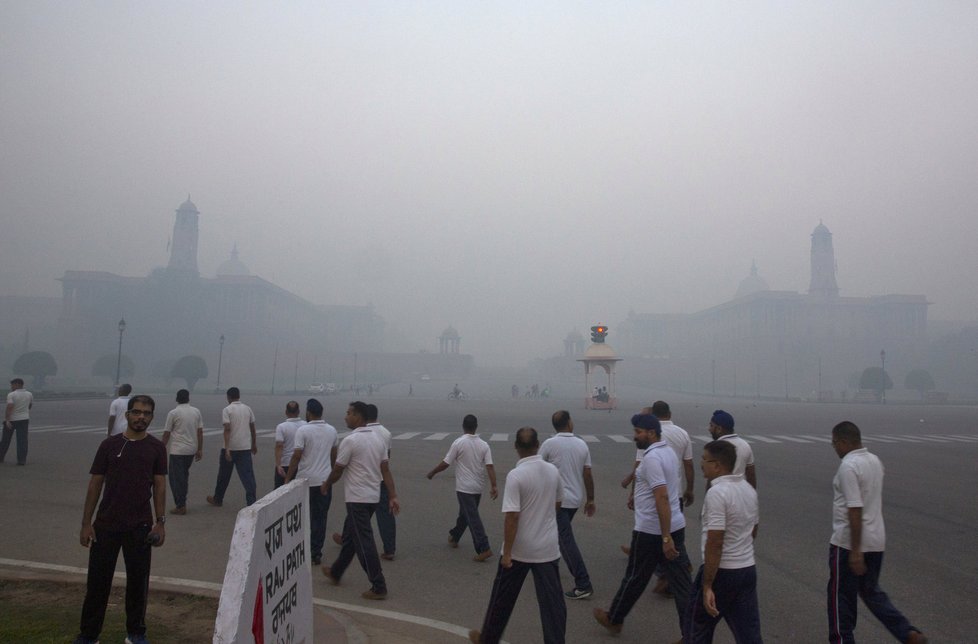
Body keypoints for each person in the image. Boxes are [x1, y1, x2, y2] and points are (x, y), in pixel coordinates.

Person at [73, 394, 167, 644]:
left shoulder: (156, 448)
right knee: (97, 584)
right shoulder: (110, 446)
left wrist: (160, 522)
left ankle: (136, 633)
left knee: (138, 584)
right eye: (136, 412)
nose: (141, 417)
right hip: (106, 525)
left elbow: (159, 485)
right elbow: (95, 483)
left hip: (140, 527)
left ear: (152, 417)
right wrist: (86, 523)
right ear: (127, 415)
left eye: (146, 413)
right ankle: (89, 635)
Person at [827, 421, 928, 644]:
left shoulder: (848, 466)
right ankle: (907, 633)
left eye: (834, 443)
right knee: (871, 592)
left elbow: (854, 509)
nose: (834, 448)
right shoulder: (874, 460)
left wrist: (855, 551)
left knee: (839, 598)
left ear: (844, 442)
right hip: (876, 541)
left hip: (848, 544)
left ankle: (842, 641)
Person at [595, 414, 691, 640]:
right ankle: (694, 634)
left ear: (651, 432)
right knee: (682, 584)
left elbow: (662, 498)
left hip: (652, 531)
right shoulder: (667, 452)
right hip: (674, 525)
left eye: (638, 432)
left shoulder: (652, 459)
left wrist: (665, 538)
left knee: (635, 577)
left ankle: (614, 619)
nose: (635, 436)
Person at [470, 427, 566, 644]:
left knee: (501, 601)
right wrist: (545, 517)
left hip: (520, 550)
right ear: (538, 444)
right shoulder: (552, 471)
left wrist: (507, 553)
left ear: (516, 447)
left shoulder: (516, 475)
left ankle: (488, 639)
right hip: (547, 549)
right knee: (553, 607)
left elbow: (512, 517)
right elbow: (559, 502)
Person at [683, 440, 762, 643]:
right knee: (748, 633)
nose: (701, 463)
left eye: (704, 459)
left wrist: (708, 584)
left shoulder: (717, 493)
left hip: (722, 571)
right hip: (746, 569)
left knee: (697, 627)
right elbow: (753, 529)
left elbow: (715, 541)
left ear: (717, 465)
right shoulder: (748, 490)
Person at [321, 401, 399, 600]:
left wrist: (327, 484)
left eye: (349, 413)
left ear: (359, 416)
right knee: (353, 538)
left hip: (357, 498)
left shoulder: (350, 440)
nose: (346, 416)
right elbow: (386, 470)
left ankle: (378, 585)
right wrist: (392, 495)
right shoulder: (378, 440)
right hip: (372, 496)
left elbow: (338, 469)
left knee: (364, 542)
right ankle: (336, 571)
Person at [539, 410, 596, 599]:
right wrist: (590, 499)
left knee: (565, 540)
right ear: (569, 422)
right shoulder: (581, 444)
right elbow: (587, 474)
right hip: (574, 500)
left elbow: (538, 468)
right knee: (556, 535)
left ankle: (583, 583)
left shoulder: (549, 444)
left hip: (557, 501)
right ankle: (546, 569)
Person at [426, 414, 497, 561]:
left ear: (463, 426)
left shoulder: (458, 443)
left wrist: (433, 472)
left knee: (472, 518)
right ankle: (455, 536)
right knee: (466, 514)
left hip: (464, 488)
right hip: (477, 487)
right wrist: (494, 485)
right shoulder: (484, 445)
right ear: (476, 427)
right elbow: (490, 466)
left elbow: (446, 463)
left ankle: (484, 548)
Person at [285, 398, 338, 566]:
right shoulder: (332, 430)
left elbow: (297, 456)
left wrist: (288, 478)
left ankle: (303, 548)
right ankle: (316, 552)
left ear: (308, 413)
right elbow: (333, 455)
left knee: (304, 516)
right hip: (324, 480)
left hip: (305, 480)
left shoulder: (303, 430)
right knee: (320, 517)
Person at [207, 387, 257, 507]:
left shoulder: (227, 410)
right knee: (248, 476)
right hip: (244, 447)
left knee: (223, 476)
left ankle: (218, 498)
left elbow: (227, 429)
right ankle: (252, 501)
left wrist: (227, 449)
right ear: (238, 396)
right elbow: (252, 428)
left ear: (228, 397)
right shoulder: (247, 409)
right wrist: (253, 444)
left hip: (230, 448)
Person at [160, 389, 203, 515]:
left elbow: (167, 433)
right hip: (191, 450)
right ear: (188, 398)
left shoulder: (173, 413)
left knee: (176, 479)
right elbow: (200, 432)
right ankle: (181, 502)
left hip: (178, 451)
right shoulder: (196, 411)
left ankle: (180, 505)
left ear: (177, 399)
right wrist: (200, 449)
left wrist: (161, 449)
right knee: (183, 476)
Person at [708, 410, 756, 489]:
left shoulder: (715, 448)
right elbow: (751, 474)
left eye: (711, 426)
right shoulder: (745, 445)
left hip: (720, 493)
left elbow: (711, 476)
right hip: (741, 493)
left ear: (719, 429)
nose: (709, 429)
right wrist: (751, 493)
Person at [2, 377, 33, 465]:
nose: (11, 386)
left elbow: (9, 407)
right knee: (22, 440)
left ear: (17, 384)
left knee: (5, 440)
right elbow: (30, 405)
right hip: (24, 419)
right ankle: (21, 460)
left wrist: (7, 420)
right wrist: (24, 412)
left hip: (12, 420)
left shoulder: (12, 394)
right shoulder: (29, 394)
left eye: (12, 385)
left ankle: (0, 457)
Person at [273, 401, 304, 488]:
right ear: (298, 412)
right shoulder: (305, 425)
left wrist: (278, 465)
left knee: (280, 492)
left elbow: (279, 446)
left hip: (285, 464)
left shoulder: (281, 427)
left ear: (286, 412)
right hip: (301, 464)